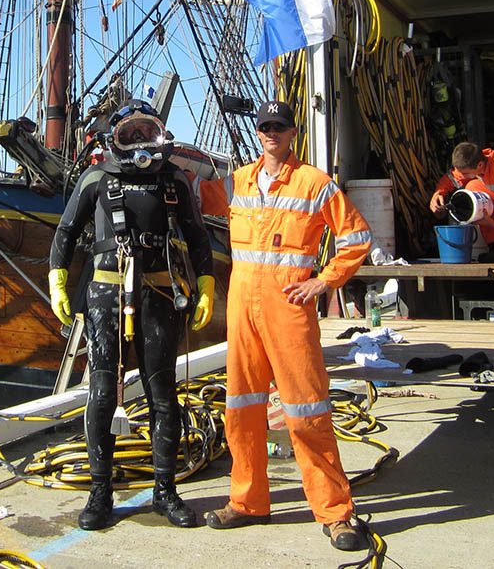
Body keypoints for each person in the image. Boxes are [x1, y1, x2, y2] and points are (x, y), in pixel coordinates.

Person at [198, 99, 373, 553]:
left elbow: (356, 238)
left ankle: (336, 512)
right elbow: (193, 198)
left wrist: (323, 282)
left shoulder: (314, 183)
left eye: (280, 126)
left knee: (306, 410)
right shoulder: (237, 181)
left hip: (288, 309)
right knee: (241, 407)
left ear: (292, 131)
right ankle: (247, 500)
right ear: (258, 133)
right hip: (242, 308)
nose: (271, 132)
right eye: (265, 126)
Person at [48, 100, 216, 531]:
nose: (141, 145)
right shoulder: (97, 178)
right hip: (106, 293)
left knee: (163, 392)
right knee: (103, 390)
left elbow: (197, 235)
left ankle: (166, 491)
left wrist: (206, 285)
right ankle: (100, 493)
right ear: (114, 139)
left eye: (149, 134)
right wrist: (57, 277)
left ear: (162, 137)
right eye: (131, 135)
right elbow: (66, 231)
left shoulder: (173, 179)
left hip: (159, 293)